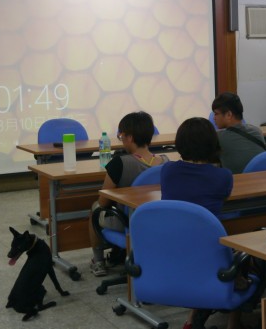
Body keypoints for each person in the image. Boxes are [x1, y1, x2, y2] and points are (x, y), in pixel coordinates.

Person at [160, 117, 241, 329]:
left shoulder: (167, 171)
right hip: (209, 252)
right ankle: (233, 322)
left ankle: (192, 321)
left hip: (174, 249)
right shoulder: (222, 177)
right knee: (244, 252)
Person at [89, 111, 169, 277]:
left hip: (129, 222)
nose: (121, 139)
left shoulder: (120, 163)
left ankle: (99, 261)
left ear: (130, 138)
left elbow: (103, 202)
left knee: (94, 208)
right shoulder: (165, 162)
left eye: (121, 135)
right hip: (159, 220)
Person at [161, 117, 233, 217]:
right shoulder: (224, 176)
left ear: (180, 142)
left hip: (172, 230)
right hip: (208, 231)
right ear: (213, 143)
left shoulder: (167, 170)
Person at [212, 92, 266, 174]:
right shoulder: (257, 131)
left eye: (216, 114)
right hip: (261, 179)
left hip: (238, 183)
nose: (214, 118)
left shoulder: (219, 137)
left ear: (229, 115)